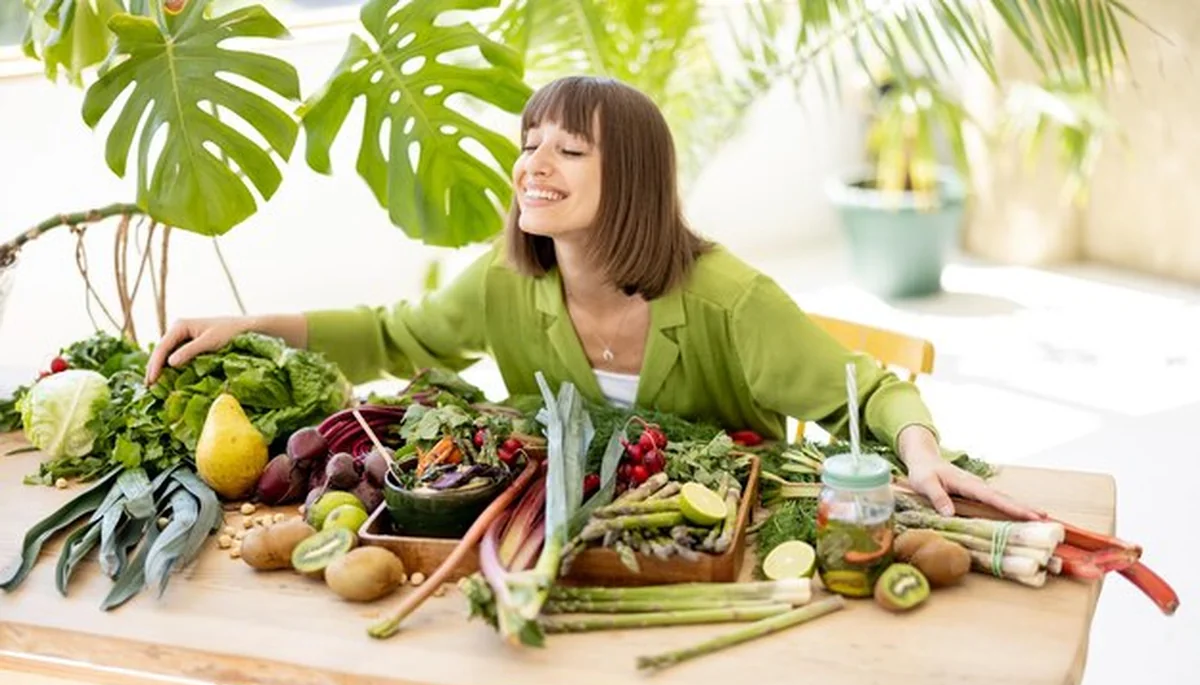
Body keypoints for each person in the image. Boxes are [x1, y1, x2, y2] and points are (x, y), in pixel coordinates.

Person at [147, 75, 1039, 520]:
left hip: (714, 552)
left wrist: (919, 455)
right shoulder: (509, 281)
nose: (534, 166)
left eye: (569, 151)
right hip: (568, 552)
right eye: (530, 144)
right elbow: (393, 333)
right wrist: (249, 322)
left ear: (635, 178)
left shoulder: (730, 299)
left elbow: (872, 390)